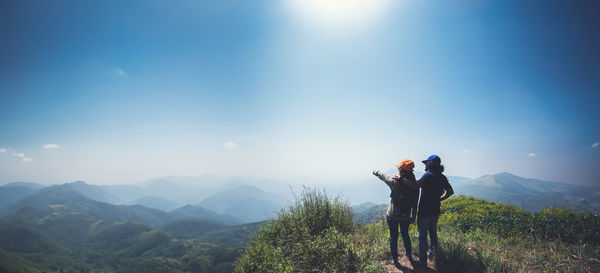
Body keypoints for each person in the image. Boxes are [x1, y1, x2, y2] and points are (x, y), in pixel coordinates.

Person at [372, 159, 419, 267]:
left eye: (399, 168)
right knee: (405, 235)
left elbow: (384, 176)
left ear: (402, 171)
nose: (398, 169)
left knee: (393, 236)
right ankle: (409, 255)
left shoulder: (394, 182)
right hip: (406, 215)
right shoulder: (414, 186)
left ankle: (395, 260)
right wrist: (414, 215)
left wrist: (375, 171)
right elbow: (415, 202)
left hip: (392, 215)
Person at [416, 155, 454, 267]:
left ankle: (423, 262)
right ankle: (432, 255)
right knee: (433, 233)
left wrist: (402, 179)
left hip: (424, 212)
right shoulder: (442, 177)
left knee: (422, 236)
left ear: (431, 163)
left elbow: (416, 186)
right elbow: (450, 191)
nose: (425, 165)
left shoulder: (427, 175)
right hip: (435, 211)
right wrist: (439, 199)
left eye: (426, 163)